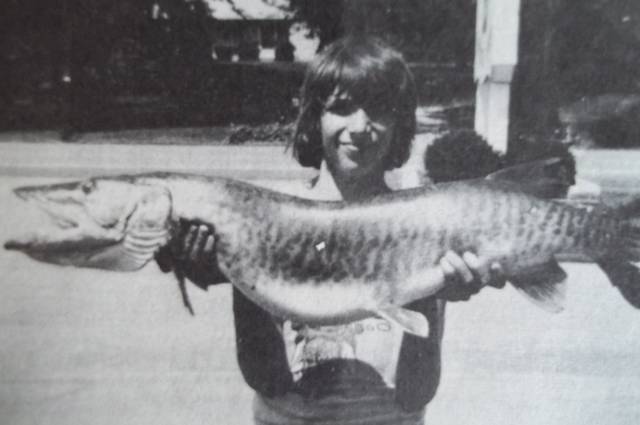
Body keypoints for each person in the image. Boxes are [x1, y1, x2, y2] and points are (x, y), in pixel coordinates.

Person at [157, 35, 503, 425]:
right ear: (313, 118)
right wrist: (242, 276)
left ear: (400, 124)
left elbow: (416, 392)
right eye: (341, 108)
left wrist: (429, 294)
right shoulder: (275, 219)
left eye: (379, 109)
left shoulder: (420, 223)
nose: (360, 127)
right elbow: (266, 378)